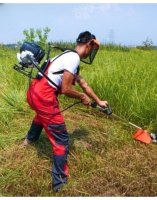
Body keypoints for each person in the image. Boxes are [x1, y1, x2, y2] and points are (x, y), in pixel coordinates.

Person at [23, 31, 108, 192]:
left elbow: (83, 83)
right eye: (93, 48)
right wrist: (82, 97)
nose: (92, 52)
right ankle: (59, 183)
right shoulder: (73, 58)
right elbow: (66, 89)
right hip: (44, 97)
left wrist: (98, 101)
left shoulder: (67, 55)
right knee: (61, 139)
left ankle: (29, 140)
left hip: (34, 92)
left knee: (41, 116)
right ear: (88, 44)